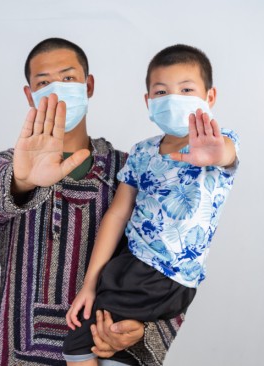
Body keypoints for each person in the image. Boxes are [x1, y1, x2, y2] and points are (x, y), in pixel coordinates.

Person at [0, 37, 183, 366]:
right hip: (18, 354)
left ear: (89, 85)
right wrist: (24, 179)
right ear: (30, 95)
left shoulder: (131, 170)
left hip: (103, 349)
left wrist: (144, 329)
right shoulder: (10, 165)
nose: (57, 88)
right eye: (43, 82)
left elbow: (175, 254)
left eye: (68, 78)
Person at [62, 44, 239, 365]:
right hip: (131, 266)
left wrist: (216, 154)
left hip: (161, 274)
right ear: (148, 101)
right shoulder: (142, 152)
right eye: (161, 91)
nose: (173, 98)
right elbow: (117, 215)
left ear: (209, 98)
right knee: (115, 347)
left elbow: (226, 154)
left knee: (78, 344)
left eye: (186, 89)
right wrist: (90, 284)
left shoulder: (218, 141)